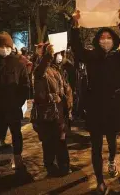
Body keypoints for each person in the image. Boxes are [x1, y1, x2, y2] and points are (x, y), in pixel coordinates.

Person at [71, 9, 120, 194]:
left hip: (114, 106)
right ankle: (99, 179)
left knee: (112, 140)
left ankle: (112, 161)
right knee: (96, 145)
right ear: (97, 41)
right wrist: (75, 27)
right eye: (102, 37)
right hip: (96, 106)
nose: (105, 40)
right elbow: (77, 48)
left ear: (114, 40)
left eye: (108, 37)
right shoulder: (92, 57)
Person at [0, 32, 30, 183]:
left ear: (10, 46)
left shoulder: (19, 63)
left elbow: (25, 86)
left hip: (13, 108)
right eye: (0, 46)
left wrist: (18, 102)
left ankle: (18, 160)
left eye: (6, 46)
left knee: (16, 135)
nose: (4, 49)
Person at [32, 43, 72, 177]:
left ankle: (64, 166)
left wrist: (68, 104)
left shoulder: (58, 69)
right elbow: (40, 71)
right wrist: (47, 56)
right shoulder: (42, 69)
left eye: (61, 53)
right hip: (47, 112)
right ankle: (51, 166)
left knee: (61, 139)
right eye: (57, 54)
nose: (60, 56)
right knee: (48, 140)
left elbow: (65, 89)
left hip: (59, 111)